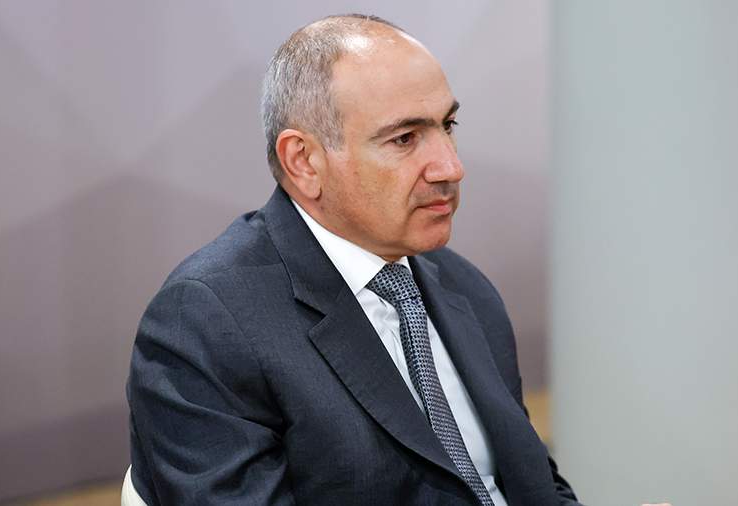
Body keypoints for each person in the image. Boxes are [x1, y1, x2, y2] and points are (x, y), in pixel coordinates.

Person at [126, 14, 581, 505]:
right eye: (404, 139)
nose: (451, 166)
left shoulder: (464, 287)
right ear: (304, 161)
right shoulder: (205, 322)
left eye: (448, 125)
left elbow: (535, 484)